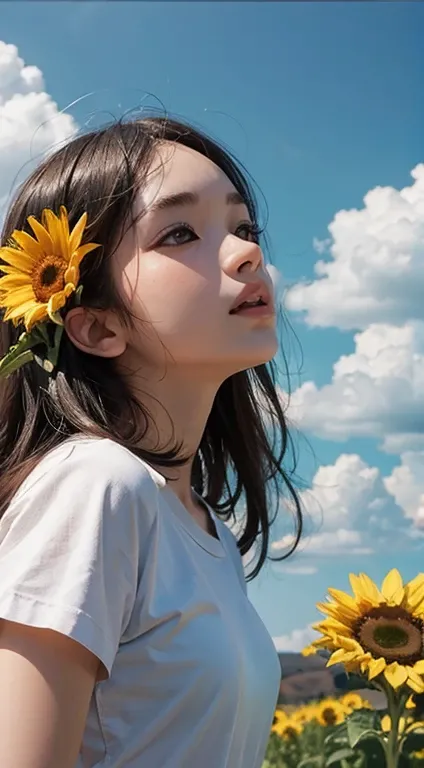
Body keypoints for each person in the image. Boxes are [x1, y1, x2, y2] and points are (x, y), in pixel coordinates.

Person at [0, 115, 302, 768]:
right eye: (181, 232)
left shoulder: (208, 532)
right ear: (97, 327)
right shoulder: (94, 484)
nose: (248, 254)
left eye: (244, 228)